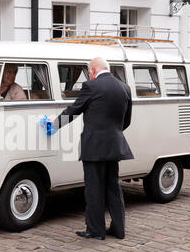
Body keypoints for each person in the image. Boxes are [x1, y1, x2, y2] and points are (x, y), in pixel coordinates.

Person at [53, 57, 134, 240]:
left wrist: (53, 126)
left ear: (92, 70)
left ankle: (96, 230)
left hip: (94, 146)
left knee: (94, 189)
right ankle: (119, 229)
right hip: (115, 145)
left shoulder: (91, 86)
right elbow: (126, 120)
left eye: (89, 71)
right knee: (113, 187)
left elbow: (74, 110)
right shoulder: (124, 88)